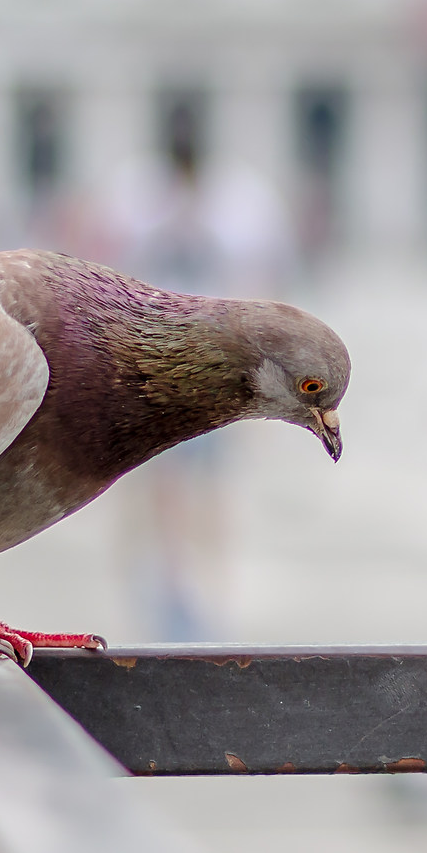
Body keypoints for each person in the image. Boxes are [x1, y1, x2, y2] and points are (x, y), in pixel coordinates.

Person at [104, 113, 294, 640]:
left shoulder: (234, 198)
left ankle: (202, 590)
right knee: (169, 483)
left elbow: (261, 275)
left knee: (206, 486)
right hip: (163, 356)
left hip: (213, 358)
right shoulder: (144, 193)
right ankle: (177, 586)